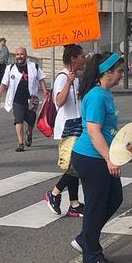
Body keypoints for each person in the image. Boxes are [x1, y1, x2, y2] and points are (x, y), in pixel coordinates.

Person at [71, 52, 127, 263]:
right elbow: (94, 132)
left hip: (102, 156)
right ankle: (91, 255)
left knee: (115, 198)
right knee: (96, 205)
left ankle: (85, 238)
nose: (122, 75)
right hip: (91, 157)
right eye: (119, 71)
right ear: (107, 73)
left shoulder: (105, 94)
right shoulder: (96, 96)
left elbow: (107, 128)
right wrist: (108, 159)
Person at [45, 45, 86, 217]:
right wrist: (68, 82)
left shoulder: (77, 78)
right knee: (75, 165)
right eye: (82, 56)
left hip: (78, 125)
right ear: (73, 58)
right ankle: (54, 193)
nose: (84, 59)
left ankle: (74, 204)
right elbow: (59, 102)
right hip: (68, 127)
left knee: (74, 166)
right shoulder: (62, 78)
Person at [0, 47, 47, 152]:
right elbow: (3, 83)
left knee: (31, 121)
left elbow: (41, 79)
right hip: (17, 100)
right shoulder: (10, 68)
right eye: (17, 54)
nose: (19, 56)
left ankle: (29, 133)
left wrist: (45, 91)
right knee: (18, 121)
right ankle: (20, 143)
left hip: (31, 100)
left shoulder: (34, 66)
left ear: (26, 55)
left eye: (21, 54)